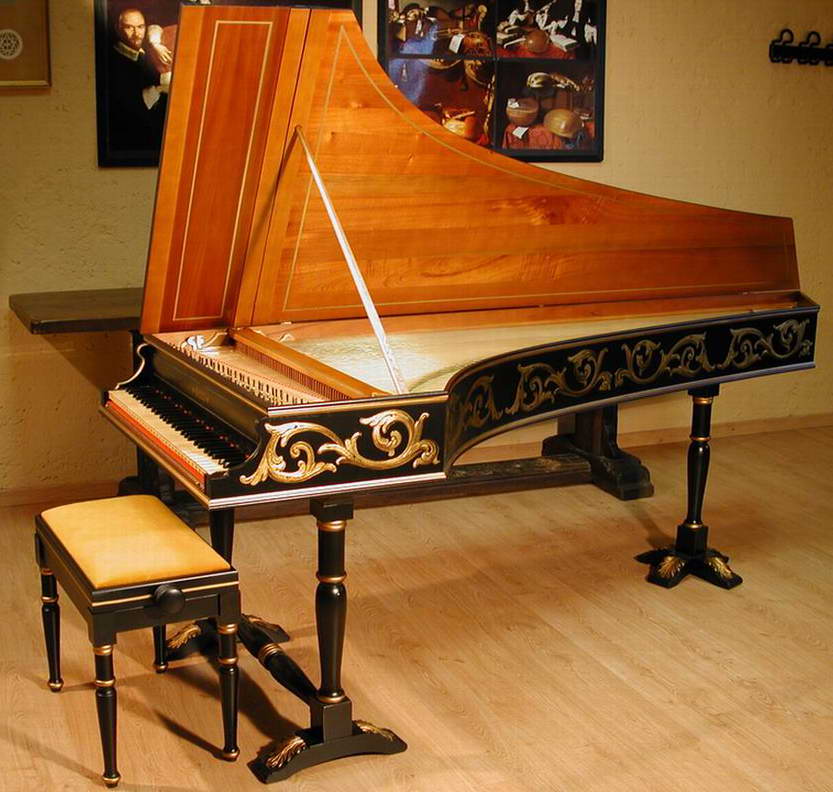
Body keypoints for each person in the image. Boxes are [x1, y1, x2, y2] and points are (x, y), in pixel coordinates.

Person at [106, 8, 171, 155]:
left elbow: (156, 27)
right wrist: (161, 87)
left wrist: (155, 44)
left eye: (140, 27)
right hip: (135, 139)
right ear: (118, 29)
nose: (136, 34)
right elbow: (135, 106)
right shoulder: (114, 61)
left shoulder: (145, 52)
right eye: (129, 27)